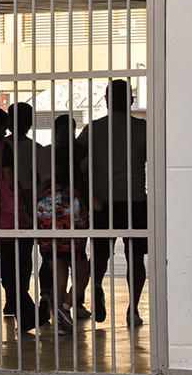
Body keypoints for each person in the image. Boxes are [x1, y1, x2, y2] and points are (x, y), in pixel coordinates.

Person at [76, 80, 148, 326]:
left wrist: (86, 195)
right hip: (135, 200)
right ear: (130, 100)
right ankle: (133, 309)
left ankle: (95, 285)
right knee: (135, 257)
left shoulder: (92, 130)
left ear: (107, 101)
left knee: (98, 254)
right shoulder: (142, 129)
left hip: (101, 202)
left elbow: (75, 166)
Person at [0, 107, 37, 332]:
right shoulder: (4, 148)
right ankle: (27, 315)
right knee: (12, 271)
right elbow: (9, 180)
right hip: (2, 217)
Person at [37, 114, 92, 334]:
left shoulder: (44, 153)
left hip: (48, 222)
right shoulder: (78, 155)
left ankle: (58, 316)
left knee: (57, 269)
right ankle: (66, 307)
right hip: (71, 223)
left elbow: (36, 181)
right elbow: (84, 184)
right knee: (82, 271)